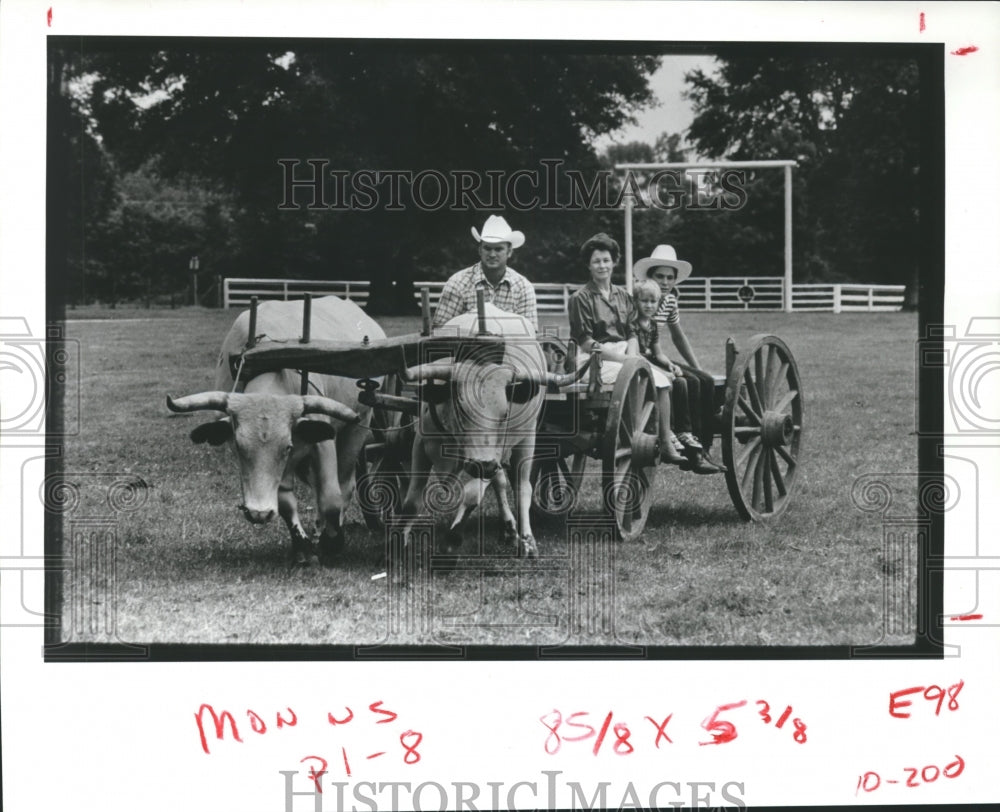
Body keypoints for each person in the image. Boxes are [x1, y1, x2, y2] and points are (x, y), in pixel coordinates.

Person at [567, 233, 685, 466]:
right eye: (597, 261)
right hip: (594, 359)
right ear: (588, 266)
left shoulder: (622, 295)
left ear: (614, 262)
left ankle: (665, 440)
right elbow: (586, 342)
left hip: (625, 353)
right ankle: (634, 432)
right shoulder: (579, 298)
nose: (602, 265)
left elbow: (632, 332)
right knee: (648, 376)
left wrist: (631, 356)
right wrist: (624, 359)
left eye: (606, 260)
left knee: (663, 379)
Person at [633, 244, 726, 470]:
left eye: (670, 277)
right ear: (650, 276)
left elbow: (678, 336)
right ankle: (687, 443)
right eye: (660, 276)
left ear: (675, 280)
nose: (665, 282)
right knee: (688, 382)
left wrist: (697, 367)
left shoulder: (670, 301)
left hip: (657, 355)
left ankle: (702, 449)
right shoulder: (641, 300)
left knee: (704, 380)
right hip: (642, 356)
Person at [432, 214, 539, 332]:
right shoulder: (457, 283)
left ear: (509, 252)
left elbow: (530, 334)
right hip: (465, 349)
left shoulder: (523, 287)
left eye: (498, 249)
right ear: (479, 250)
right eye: (487, 248)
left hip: (511, 349)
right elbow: (439, 331)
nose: (492, 254)